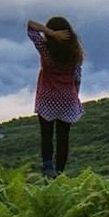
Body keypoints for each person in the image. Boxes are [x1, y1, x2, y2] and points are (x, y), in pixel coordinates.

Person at [27, 17, 84, 178]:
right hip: (67, 99)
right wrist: (75, 97)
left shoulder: (45, 50)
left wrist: (51, 33)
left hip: (47, 98)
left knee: (46, 134)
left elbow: (30, 26)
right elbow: (77, 78)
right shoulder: (75, 54)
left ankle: (47, 167)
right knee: (63, 137)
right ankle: (59, 172)